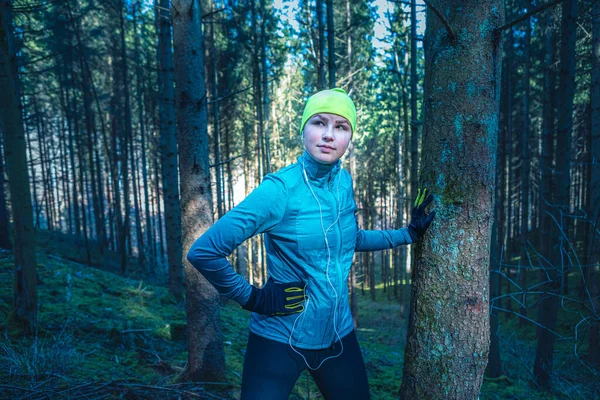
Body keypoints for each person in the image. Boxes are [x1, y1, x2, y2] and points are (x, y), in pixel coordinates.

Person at [186, 88, 435, 400]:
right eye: (319, 122)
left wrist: (407, 234)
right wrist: (252, 298)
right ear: (303, 129)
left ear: (350, 137)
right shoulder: (279, 190)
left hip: (338, 337)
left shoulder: (343, 183)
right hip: (277, 339)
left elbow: (349, 239)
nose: (329, 135)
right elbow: (204, 252)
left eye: (341, 127)